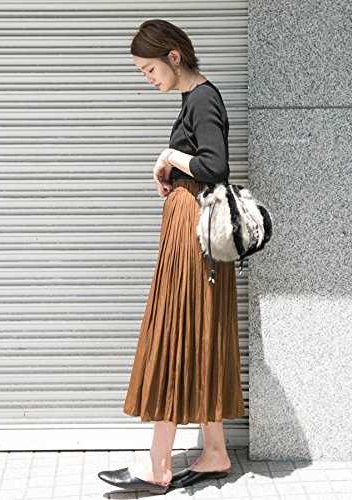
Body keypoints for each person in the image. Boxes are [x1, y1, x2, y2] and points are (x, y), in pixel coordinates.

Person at [98, 19, 245, 495]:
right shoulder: (194, 98)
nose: (148, 79)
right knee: (198, 333)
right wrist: (170, 163)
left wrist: (169, 156)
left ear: (174, 57)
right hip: (192, 234)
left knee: (174, 332)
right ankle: (215, 452)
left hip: (193, 238)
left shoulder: (202, 98)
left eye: (149, 69)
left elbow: (215, 165)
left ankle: (158, 464)